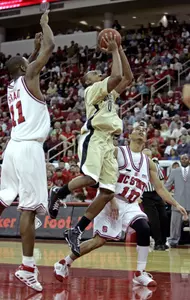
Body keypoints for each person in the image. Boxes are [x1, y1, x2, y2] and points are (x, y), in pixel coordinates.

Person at [53, 124, 187, 286]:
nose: (141, 131)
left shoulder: (149, 163)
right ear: (129, 136)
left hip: (131, 204)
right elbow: (103, 178)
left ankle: (139, 273)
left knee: (144, 228)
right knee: (98, 241)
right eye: (137, 129)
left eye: (144, 131)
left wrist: (176, 204)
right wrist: (112, 200)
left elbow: (160, 188)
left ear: (146, 139)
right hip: (110, 200)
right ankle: (64, 262)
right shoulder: (118, 152)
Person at [48, 33, 134, 256]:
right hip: (94, 137)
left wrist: (120, 48)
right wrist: (114, 49)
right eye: (95, 73)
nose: (99, 73)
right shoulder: (92, 90)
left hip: (108, 142)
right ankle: (58, 192)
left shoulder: (109, 94)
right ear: (89, 81)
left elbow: (128, 78)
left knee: (106, 193)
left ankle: (75, 231)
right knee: (90, 179)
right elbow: (116, 76)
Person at [0, 11, 54, 291]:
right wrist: (44, 25)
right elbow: (50, 48)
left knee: (3, 198)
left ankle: (28, 266)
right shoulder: (29, 75)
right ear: (24, 68)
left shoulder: (12, 85)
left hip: (12, 147)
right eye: (28, 62)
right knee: (28, 209)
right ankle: (27, 267)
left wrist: (30, 52)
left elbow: (31, 63)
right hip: (29, 149)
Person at [142, 150, 169, 251]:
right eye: (145, 155)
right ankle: (157, 243)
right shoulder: (138, 167)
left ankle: (163, 241)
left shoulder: (156, 166)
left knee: (164, 218)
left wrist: (164, 195)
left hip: (158, 193)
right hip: (146, 196)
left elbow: (161, 181)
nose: (147, 157)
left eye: (149, 155)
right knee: (154, 220)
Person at [165, 154, 190, 247]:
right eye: (182, 159)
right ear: (180, 160)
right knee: (175, 225)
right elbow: (167, 185)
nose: (184, 160)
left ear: (189, 160)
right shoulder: (174, 171)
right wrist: (162, 195)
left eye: (186, 158)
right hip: (177, 203)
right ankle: (173, 241)